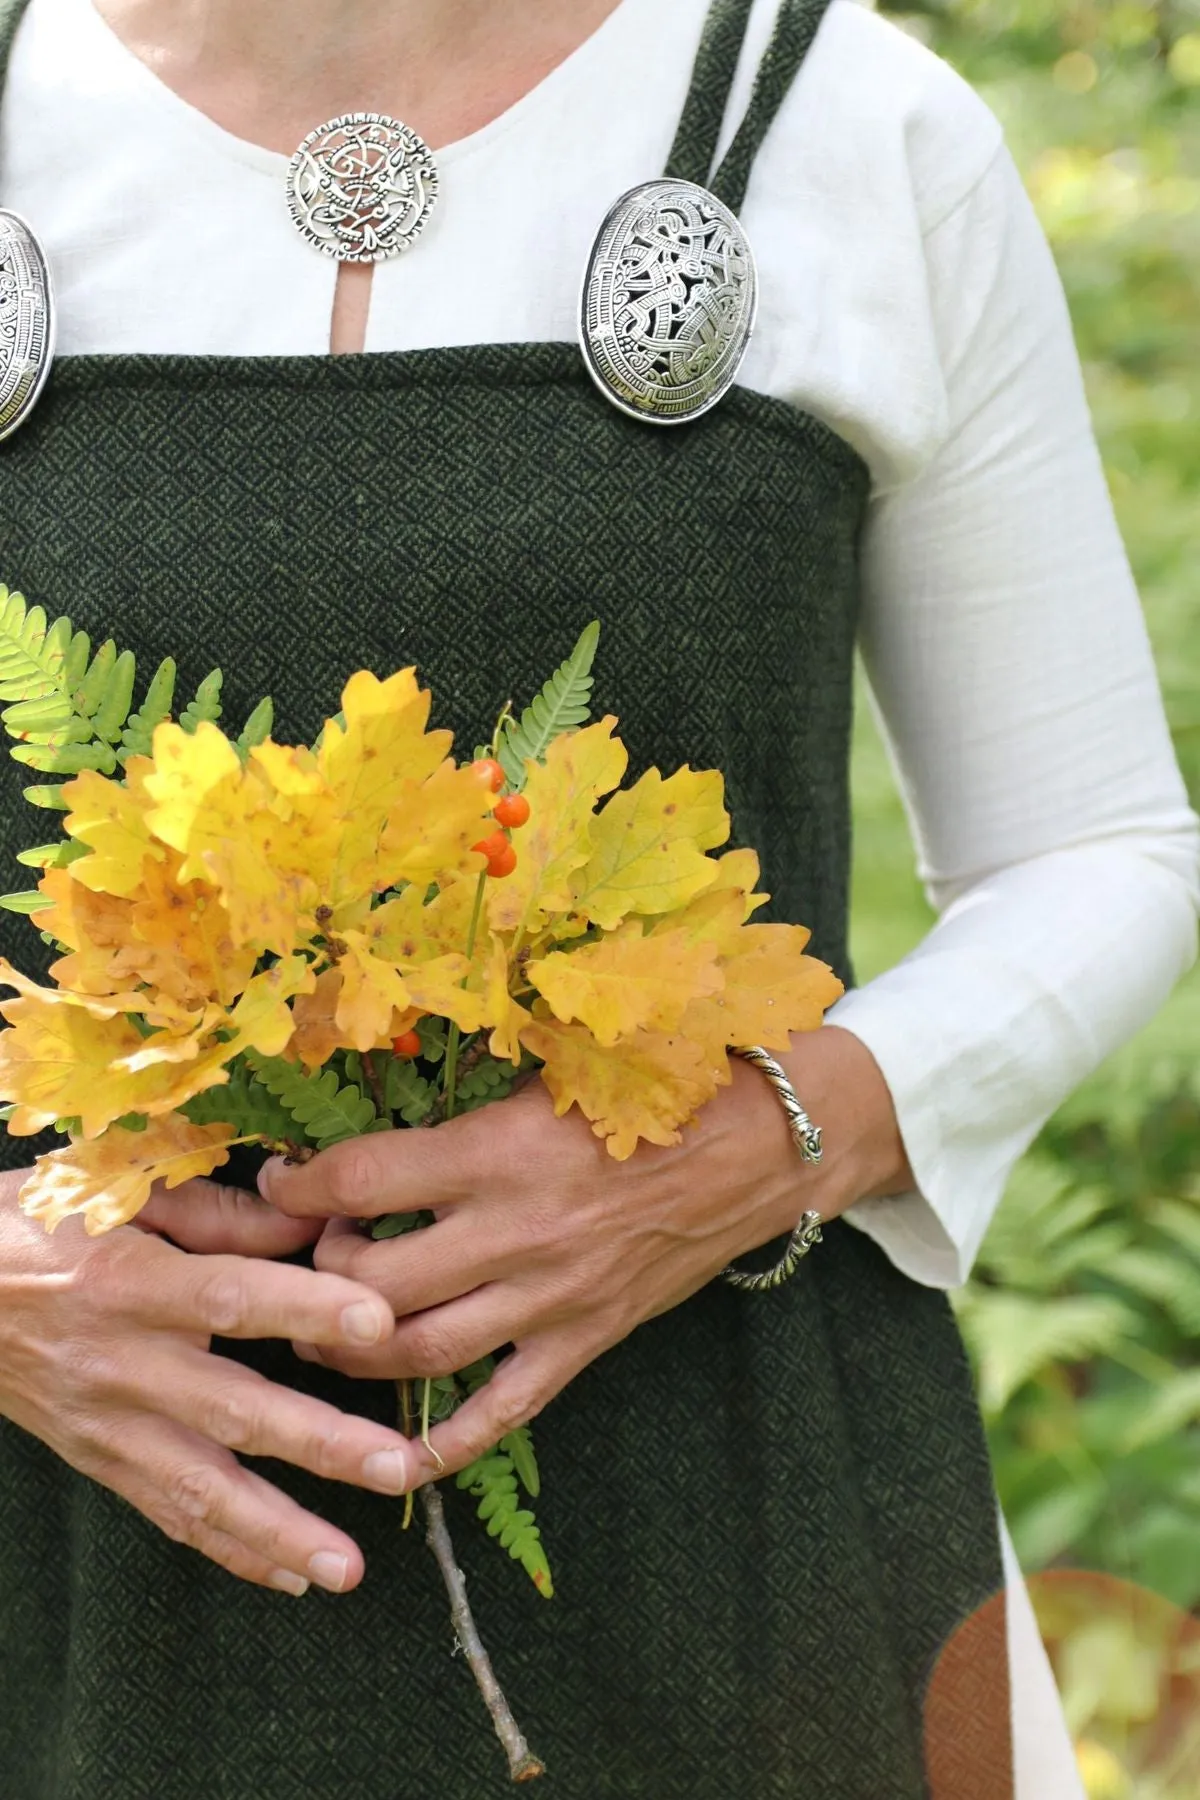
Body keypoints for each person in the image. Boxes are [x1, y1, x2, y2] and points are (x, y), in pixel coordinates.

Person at [0, 0, 1195, 1794]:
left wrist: (784, 1131)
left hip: (746, 1524)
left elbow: (1097, 845)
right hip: (57, 1554)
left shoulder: (856, 127)